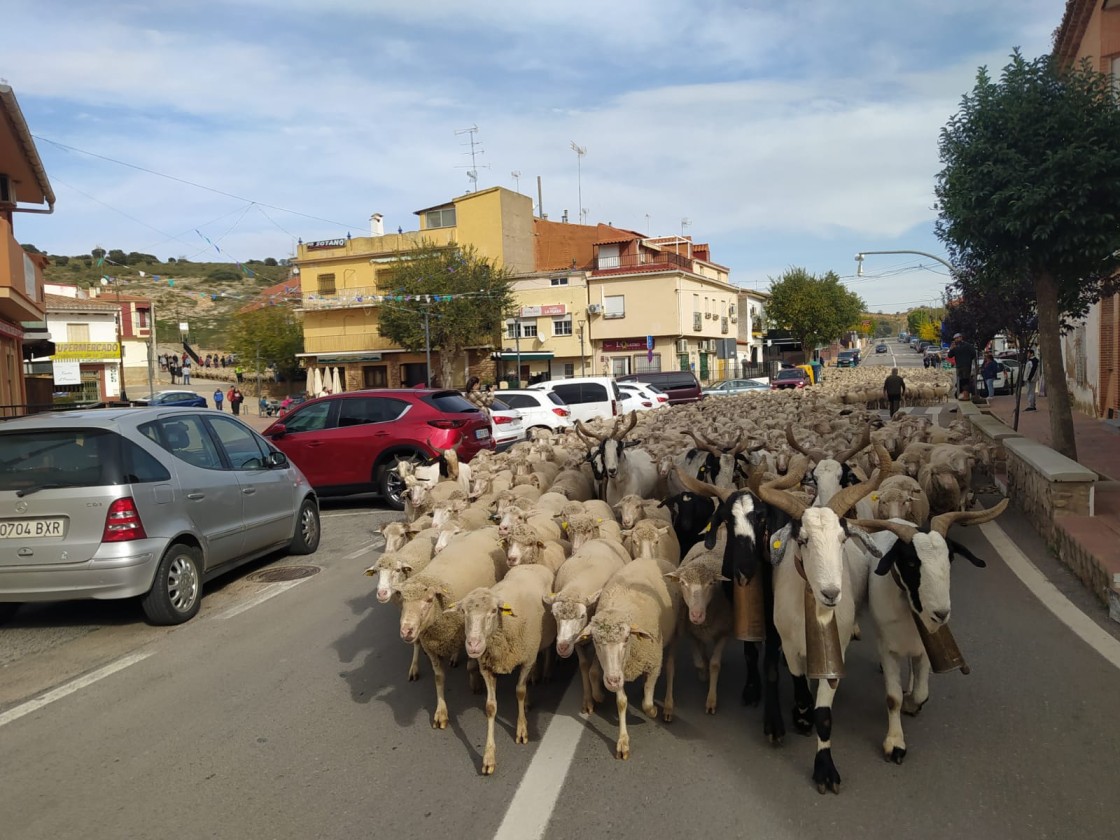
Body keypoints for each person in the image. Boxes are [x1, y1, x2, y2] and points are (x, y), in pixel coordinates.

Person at [946, 332, 976, 401]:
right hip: (959, 366)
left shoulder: (967, 345)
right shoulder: (955, 347)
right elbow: (950, 356)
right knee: (961, 381)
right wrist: (951, 348)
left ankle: (966, 395)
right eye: (955, 339)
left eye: (957, 338)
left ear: (961, 338)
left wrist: (967, 360)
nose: (956, 340)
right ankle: (963, 394)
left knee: (965, 380)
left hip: (965, 365)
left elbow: (973, 354)